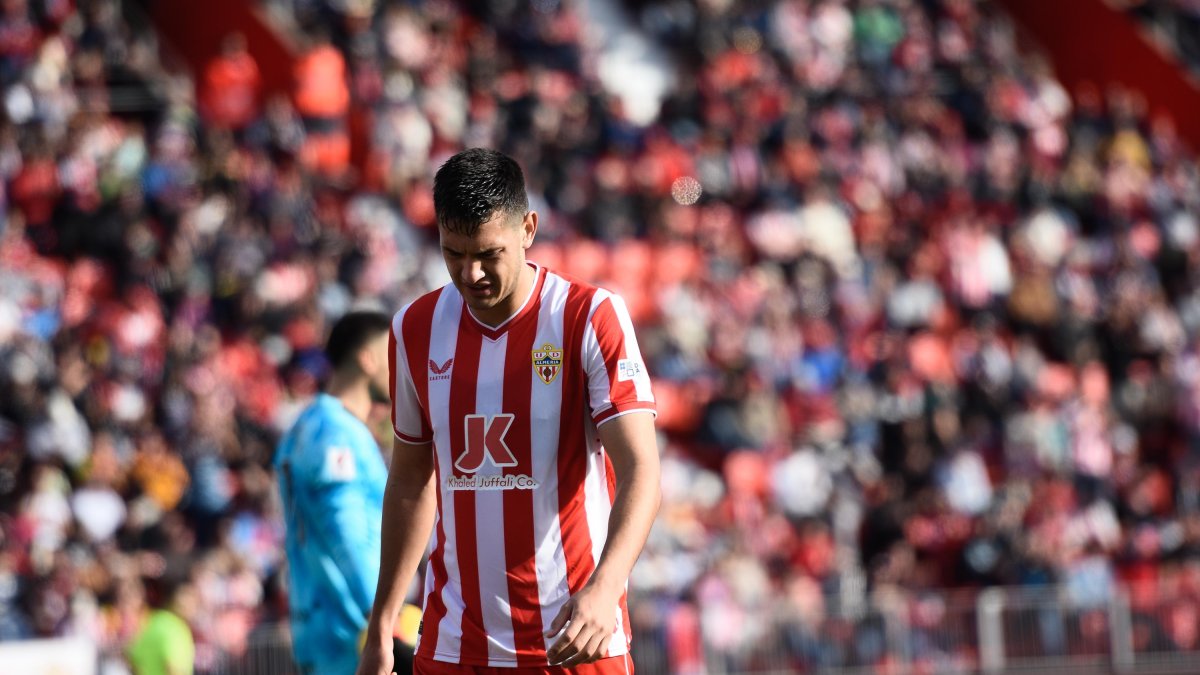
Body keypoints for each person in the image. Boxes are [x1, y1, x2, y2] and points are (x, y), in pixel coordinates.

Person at [357, 148, 661, 675]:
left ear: (528, 228)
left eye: (487, 253)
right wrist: (383, 624)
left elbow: (641, 469)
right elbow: (409, 480)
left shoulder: (589, 317)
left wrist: (605, 588)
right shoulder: (414, 328)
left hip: (573, 638)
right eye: (453, 254)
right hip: (455, 646)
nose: (470, 273)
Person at [275, 310, 392, 674]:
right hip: (349, 637)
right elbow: (347, 532)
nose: (402, 368)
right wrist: (384, 620)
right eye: (394, 355)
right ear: (368, 359)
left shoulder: (306, 426)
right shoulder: (335, 434)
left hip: (323, 630)